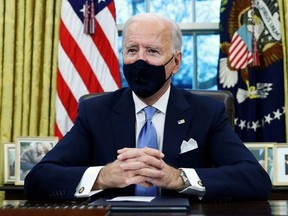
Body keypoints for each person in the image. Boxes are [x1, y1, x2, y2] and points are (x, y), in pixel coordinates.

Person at [24, 13, 271, 201]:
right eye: (132, 50)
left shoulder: (206, 112)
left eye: (152, 51)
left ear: (176, 62)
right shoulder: (96, 112)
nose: (140, 60)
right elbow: (39, 178)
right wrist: (102, 177)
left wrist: (178, 178)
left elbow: (255, 179)